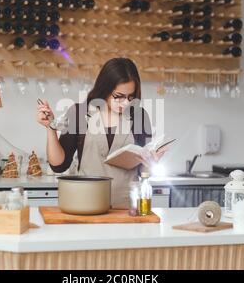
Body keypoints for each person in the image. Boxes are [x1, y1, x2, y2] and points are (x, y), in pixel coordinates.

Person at [37, 58, 166, 208]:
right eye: (119, 96)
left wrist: (150, 163)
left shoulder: (140, 117)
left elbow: (142, 172)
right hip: (86, 204)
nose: (125, 103)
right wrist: (50, 128)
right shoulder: (79, 113)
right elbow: (59, 165)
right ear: (104, 89)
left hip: (126, 208)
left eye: (130, 97)